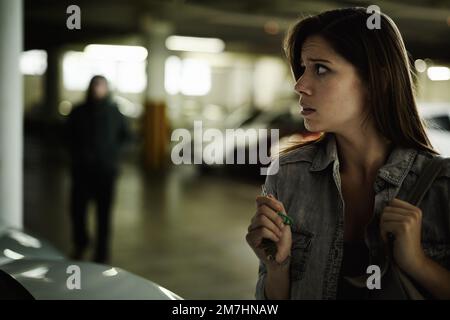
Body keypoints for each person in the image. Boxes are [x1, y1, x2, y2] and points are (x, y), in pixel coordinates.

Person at [245, 7, 450, 300]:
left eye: (321, 69)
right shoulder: (289, 174)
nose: (300, 85)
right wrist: (277, 266)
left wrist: (417, 263)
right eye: (302, 68)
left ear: (375, 79)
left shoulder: (441, 186)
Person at [66, 75, 131, 263]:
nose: (98, 90)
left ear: (107, 89)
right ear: (90, 88)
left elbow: (127, 136)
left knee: (104, 215)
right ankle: (81, 242)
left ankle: (102, 253)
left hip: (105, 173)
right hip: (82, 173)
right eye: (95, 86)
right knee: (77, 211)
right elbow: (66, 136)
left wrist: (113, 154)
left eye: (101, 86)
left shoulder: (114, 112)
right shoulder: (78, 111)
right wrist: (76, 156)